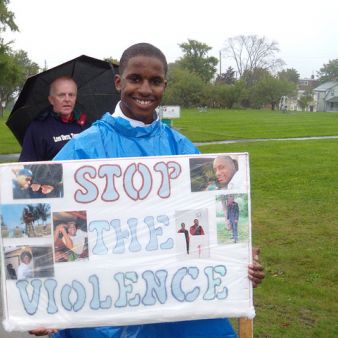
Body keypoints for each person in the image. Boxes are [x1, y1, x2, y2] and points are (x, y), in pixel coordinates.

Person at [30, 43, 265, 337]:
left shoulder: (181, 150)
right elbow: (40, 216)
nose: (145, 89)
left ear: (164, 85)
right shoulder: (82, 150)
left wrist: (239, 257)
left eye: (155, 82)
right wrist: (38, 302)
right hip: (106, 300)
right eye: (135, 79)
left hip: (174, 295)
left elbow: (215, 215)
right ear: (119, 82)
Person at [19, 76, 89, 162]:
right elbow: (26, 167)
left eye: (71, 95)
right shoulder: (37, 128)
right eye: (61, 95)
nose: (67, 99)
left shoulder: (86, 125)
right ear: (51, 100)